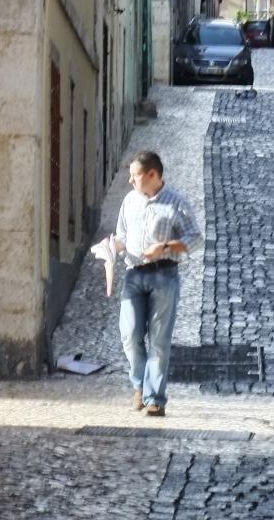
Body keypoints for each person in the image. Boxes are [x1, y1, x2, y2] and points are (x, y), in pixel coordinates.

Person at [113, 151, 202, 417]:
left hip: (164, 275)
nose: (130, 181)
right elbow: (121, 235)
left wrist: (164, 247)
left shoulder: (176, 203)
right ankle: (140, 384)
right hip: (133, 274)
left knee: (159, 340)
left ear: (152, 174)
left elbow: (195, 238)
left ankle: (155, 399)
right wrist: (113, 246)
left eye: (135, 175)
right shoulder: (130, 201)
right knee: (130, 334)